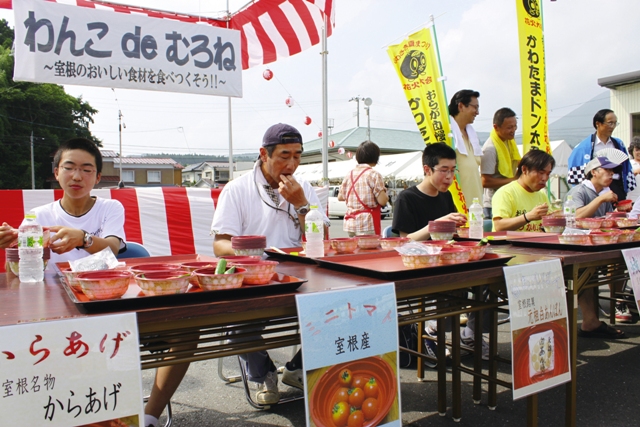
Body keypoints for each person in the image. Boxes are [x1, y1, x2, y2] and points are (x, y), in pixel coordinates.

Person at [143, 123, 329, 426]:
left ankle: (297, 367)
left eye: (297, 156)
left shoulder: (303, 189)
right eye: (284, 156)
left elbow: (321, 236)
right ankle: (261, 373)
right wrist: (249, 254)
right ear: (264, 154)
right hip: (253, 276)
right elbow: (219, 243)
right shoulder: (238, 189)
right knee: (238, 320)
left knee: (335, 308)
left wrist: (302, 205)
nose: (292, 165)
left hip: (299, 276)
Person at [0, 137, 125, 263]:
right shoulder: (37, 216)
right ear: (56, 173)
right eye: (68, 168)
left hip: (97, 281)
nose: (76, 177)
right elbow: (18, 269)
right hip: (50, 283)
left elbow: (113, 249)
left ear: (98, 177)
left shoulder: (110, 208)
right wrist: (13, 245)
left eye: (86, 170)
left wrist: (82, 239)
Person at [566, 154, 628, 336]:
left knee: (619, 265)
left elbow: (605, 221)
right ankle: (591, 320)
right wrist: (600, 200)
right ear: (594, 172)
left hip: (596, 244)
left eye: (613, 171)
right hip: (578, 245)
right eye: (607, 170)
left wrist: (619, 213)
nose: (612, 175)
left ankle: (612, 308)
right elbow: (575, 216)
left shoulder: (603, 194)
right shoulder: (579, 192)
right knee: (587, 272)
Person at [567, 109, 636, 203]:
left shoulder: (619, 144)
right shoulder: (583, 147)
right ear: (598, 124)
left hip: (617, 186)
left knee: (619, 216)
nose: (613, 127)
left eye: (615, 123)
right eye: (610, 123)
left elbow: (626, 168)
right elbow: (576, 176)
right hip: (595, 188)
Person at [492, 150, 554, 232]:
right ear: (524, 169)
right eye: (541, 172)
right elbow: (499, 226)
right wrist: (528, 216)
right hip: (508, 244)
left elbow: (546, 228)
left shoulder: (542, 195)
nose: (544, 178)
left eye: (548, 174)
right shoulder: (506, 193)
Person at [338, 140, 388, 236]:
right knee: (369, 250)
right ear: (375, 157)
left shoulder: (350, 174)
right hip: (367, 223)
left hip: (351, 223)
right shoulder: (374, 174)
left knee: (355, 250)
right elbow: (382, 201)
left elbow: (340, 197)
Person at [481, 108, 521, 219]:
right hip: (493, 204)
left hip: (508, 199)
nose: (513, 130)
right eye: (509, 127)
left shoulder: (509, 141)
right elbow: (485, 181)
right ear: (496, 127)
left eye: (515, 126)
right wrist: (515, 180)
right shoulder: (490, 149)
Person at [449, 89, 483, 205]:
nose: (477, 112)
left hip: (476, 205)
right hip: (458, 205)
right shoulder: (448, 135)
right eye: (475, 107)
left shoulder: (472, 135)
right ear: (461, 106)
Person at [626, 137, 640, 202]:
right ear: (632, 151)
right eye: (637, 150)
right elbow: (624, 179)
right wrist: (636, 172)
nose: (639, 152)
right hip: (632, 200)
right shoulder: (629, 164)